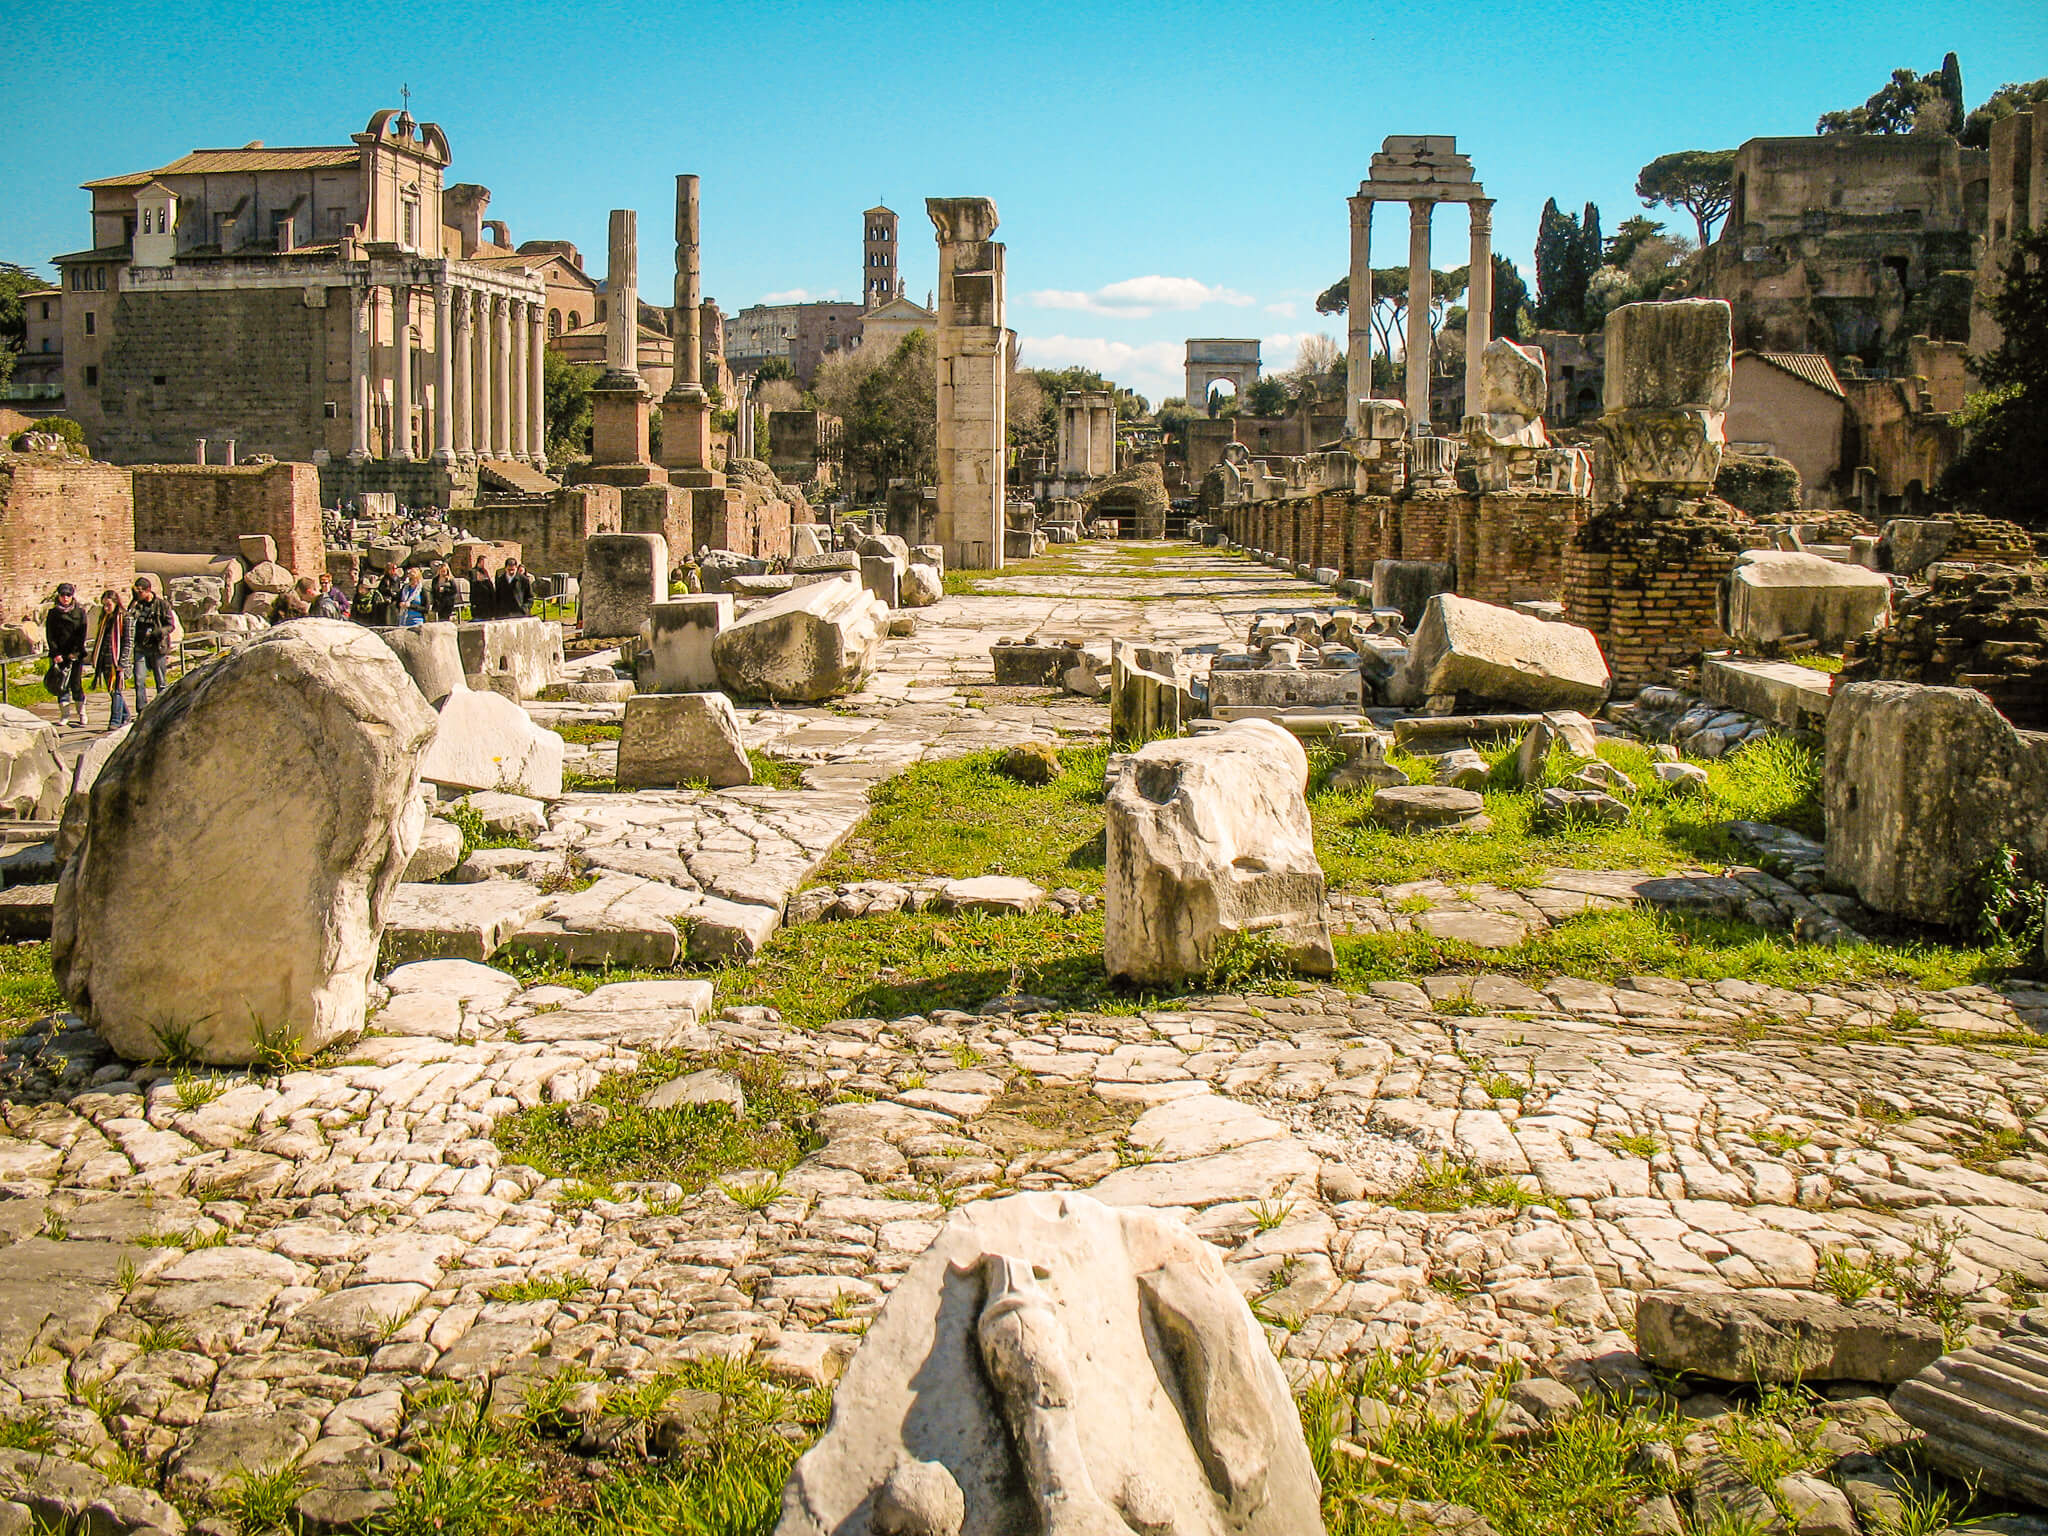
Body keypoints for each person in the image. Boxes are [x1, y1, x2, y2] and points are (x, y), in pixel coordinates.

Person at [42, 583, 88, 727]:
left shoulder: (80, 612)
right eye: (63, 595)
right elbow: (50, 635)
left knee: (76, 683)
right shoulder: (53, 613)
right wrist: (55, 653)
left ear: (72, 596)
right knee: (61, 685)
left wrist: (75, 652)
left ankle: (82, 713)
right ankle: (65, 715)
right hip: (60, 654)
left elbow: (82, 634)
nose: (65, 598)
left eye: (68, 595)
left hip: (75, 654)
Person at [128, 575, 175, 713]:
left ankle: (162, 709)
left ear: (148, 590)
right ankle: (142, 709)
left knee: (160, 681)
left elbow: (170, 625)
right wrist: (133, 603)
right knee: (139, 679)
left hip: (157, 646)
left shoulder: (162, 605)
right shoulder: (137, 605)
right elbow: (129, 618)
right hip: (141, 647)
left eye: (140, 592)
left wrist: (158, 632)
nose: (138, 594)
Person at [89, 589, 131, 729]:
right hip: (105, 659)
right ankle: (125, 714)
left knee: (116, 690)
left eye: (108, 605)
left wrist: (122, 662)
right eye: (104, 605)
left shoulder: (125, 618)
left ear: (116, 603)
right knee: (112, 691)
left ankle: (115, 720)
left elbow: (128, 642)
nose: (106, 608)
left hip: (117, 661)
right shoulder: (105, 618)